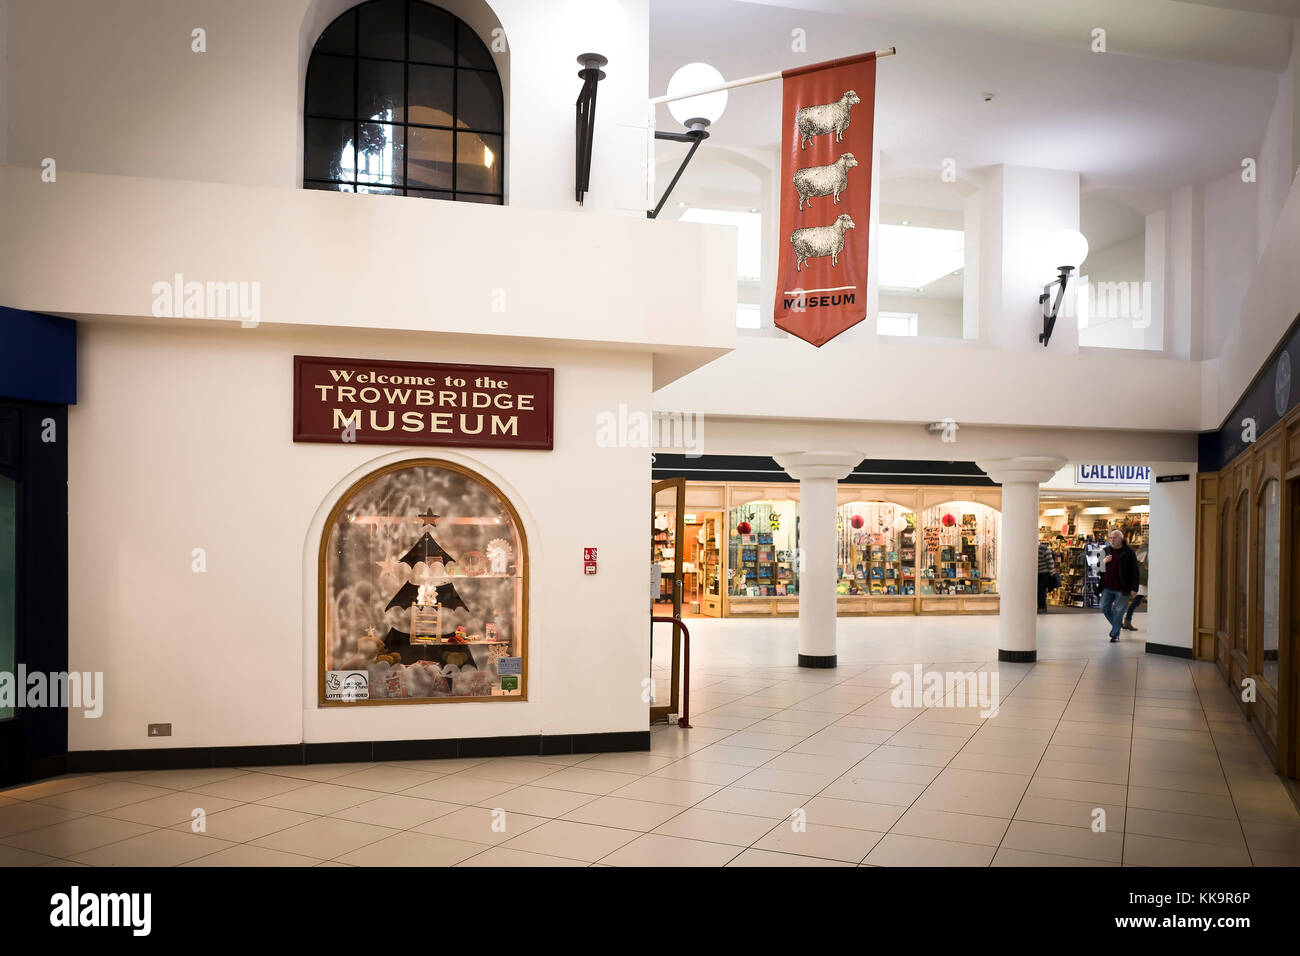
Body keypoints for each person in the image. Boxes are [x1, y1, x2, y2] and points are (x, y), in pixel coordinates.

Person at [1099, 528, 1140, 642]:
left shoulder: (1129, 552)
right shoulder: (1105, 550)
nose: (1112, 540)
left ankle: (1115, 634)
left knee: (1119, 611)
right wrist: (1104, 562)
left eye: (1114, 538)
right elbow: (1098, 569)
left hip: (1123, 588)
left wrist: (1134, 588)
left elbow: (1135, 571)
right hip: (1107, 587)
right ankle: (1117, 625)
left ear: (1121, 539)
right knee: (1103, 607)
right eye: (1110, 538)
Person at [1122, 545, 1149, 631]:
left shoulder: (1141, 550)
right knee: (1136, 601)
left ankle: (1127, 620)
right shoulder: (1146, 551)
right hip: (1143, 581)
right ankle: (1127, 621)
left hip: (1141, 580)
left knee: (1136, 601)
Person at [1037, 540, 1055, 613]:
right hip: (1042, 573)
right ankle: (1041, 606)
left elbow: (1050, 562)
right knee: (1041, 590)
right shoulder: (1044, 550)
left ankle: (1042, 607)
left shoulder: (1044, 550)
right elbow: (1050, 562)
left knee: (1041, 590)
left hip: (1043, 573)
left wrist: (1051, 573)